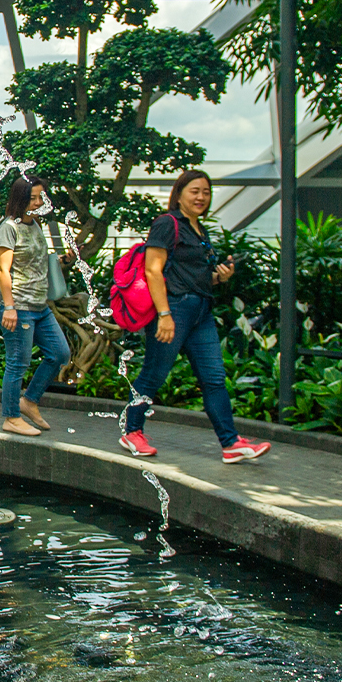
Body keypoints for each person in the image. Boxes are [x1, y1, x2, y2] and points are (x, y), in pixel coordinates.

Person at [119, 169, 271, 464]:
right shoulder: (167, 224)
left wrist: (219, 277)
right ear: (179, 194)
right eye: (194, 191)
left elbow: (192, 276)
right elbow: (153, 270)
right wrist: (164, 315)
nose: (201, 197)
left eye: (206, 192)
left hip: (201, 312)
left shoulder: (199, 229)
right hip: (173, 309)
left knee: (214, 378)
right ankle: (132, 431)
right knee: (154, 374)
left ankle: (230, 443)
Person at [0, 175, 70, 436]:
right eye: (33, 198)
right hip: (19, 305)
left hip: (40, 305)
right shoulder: (9, 227)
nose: (38, 203)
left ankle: (29, 401)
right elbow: (3, 270)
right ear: (20, 198)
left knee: (60, 353)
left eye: (41, 197)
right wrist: (9, 307)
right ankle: (11, 417)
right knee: (18, 362)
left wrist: (63, 259)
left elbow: (36, 262)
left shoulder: (36, 224)